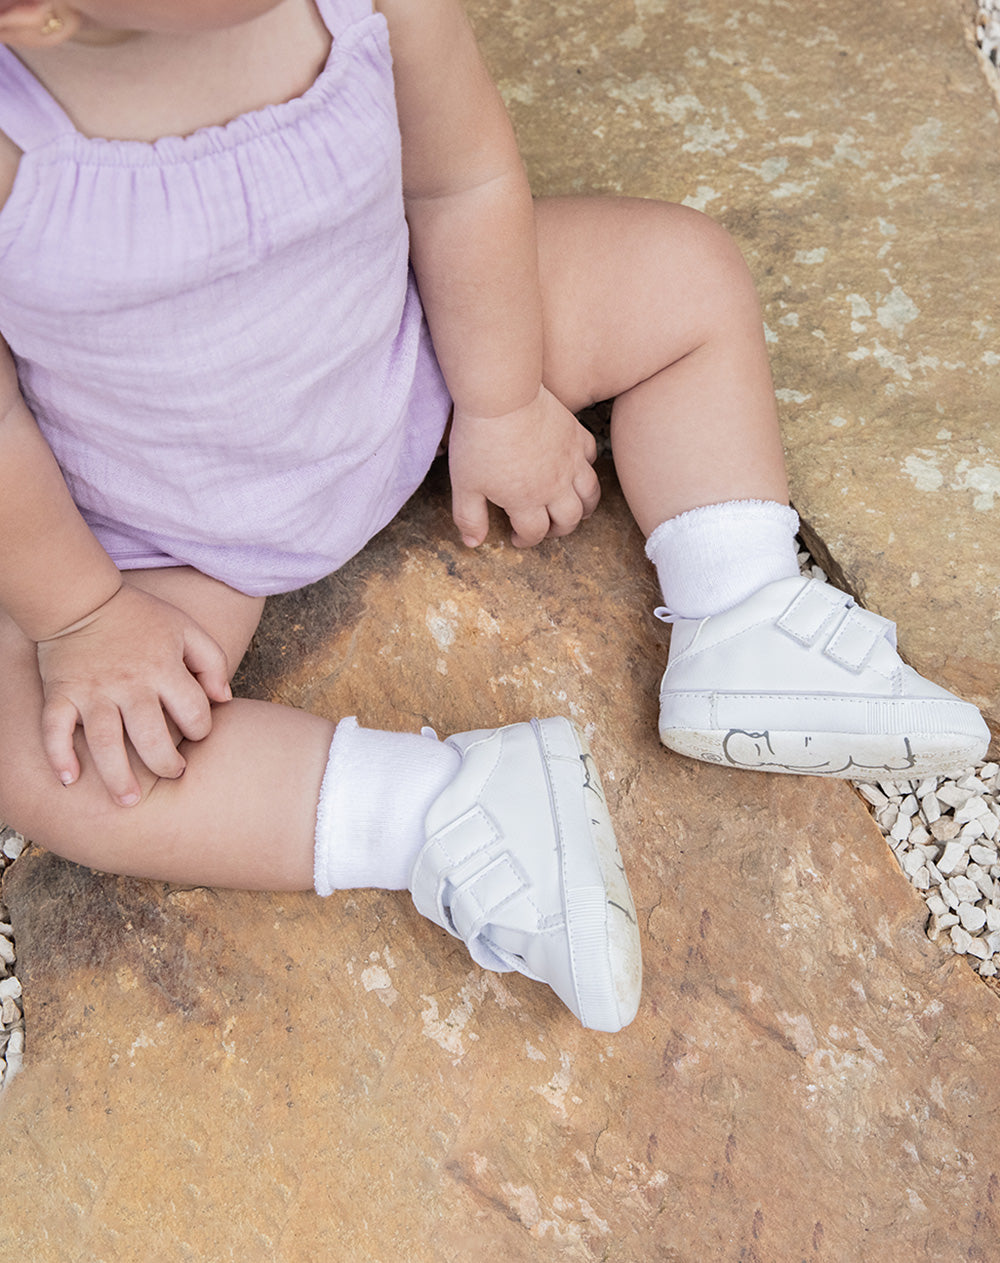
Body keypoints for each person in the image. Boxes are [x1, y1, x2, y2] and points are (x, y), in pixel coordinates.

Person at [0, 0, 987, 1034]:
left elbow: (459, 183)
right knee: (44, 757)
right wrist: (82, 616)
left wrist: (503, 397)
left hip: (414, 350)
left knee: (678, 272)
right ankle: (441, 810)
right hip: (161, 521)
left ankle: (742, 601)